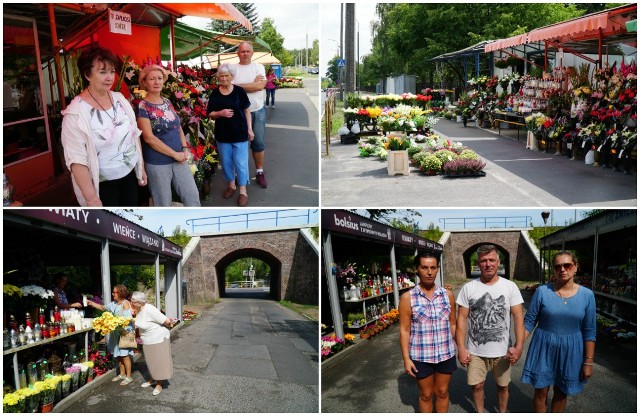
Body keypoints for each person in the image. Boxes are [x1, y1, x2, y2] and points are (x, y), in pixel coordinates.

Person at [61, 46, 146, 206]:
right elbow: (76, 160)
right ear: (87, 74)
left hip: (129, 176)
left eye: (112, 72)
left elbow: (134, 133)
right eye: (102, 72)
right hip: (102, 185)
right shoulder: (75, 113)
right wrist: (91, 198)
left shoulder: (119, 98)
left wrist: (140, 167)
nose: (109, 78)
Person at [521, 251, 596, 412]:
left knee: (562, 392)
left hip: (571, 350)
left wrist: (588, 362)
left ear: (575, 267)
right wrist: (518, 345)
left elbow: (589, 331)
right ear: (554, 270)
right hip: (543, 347)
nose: (562, 269)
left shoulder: (587, 295)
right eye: (558, 266)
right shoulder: (542, 291)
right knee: (541, 390)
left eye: (567, 265)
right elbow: (529, 321)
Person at [456, 244, 525, 413]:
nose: (488, 264)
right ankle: (480, 412)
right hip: (476, 351)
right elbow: (462, 320)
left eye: (491, 260)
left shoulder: (510, 287)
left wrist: (519, 346)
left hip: (502, 351)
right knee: (477, 385)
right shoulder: (468, 288)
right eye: (483, 261)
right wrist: (461, 348)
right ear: (478, 263)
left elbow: (518, 318)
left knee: (503, 386)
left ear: (498, 261)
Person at [399, 252, 457, 412]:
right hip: (421, 356)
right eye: (424, 267)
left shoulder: (448, 295)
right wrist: (406, 359)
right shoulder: (407, 298)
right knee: (426, 394)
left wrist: (462, 349)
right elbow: (404, 330)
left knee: (442, 392)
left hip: (446, 354)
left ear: (438, 268)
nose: (429, 272)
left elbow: (453, 324)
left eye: (433, 267)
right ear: (417, 269)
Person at [136, 64, 200, 207]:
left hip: (180, 158)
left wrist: (184, 148)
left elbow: (178, 127)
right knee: (163, 204)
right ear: (144, 82)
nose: (157, 82)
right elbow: (149, 138)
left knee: (192, 197)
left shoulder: (167, 102)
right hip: (158, 163)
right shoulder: (142, 106)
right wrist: (174, 154)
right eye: (152, 79)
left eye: (159, 78)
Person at [206, 63, 253, 206]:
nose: (224, 78)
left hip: (239, 133)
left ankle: (243, 191)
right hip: (223, 134)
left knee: (241, 163)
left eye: (227, 75)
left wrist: (250, 129)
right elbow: (210, 114)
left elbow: (247, 111)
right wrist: (220, 113)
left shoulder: (239, 91)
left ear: (232, 76)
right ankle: (232, 185)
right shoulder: (215, 93)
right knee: (226, 162)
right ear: (218, 77)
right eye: (221, 76)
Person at [232, 41, 268, 188]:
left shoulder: (259, 67)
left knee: (258, 143)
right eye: (242, 51)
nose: (245, 53)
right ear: (238, 53)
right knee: (237, 144)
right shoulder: (232, 68)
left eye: (248, 51)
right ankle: (237, 174)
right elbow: (230, 89)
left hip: (257, 110)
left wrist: (238, 86)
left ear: (252, 53)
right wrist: (250, 85)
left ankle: (259, 172)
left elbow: (260, 86)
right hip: (238, 112)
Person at [86, 284, 135, 385]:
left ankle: (129, 376)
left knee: (125, 356)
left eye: (114, 292)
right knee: (118, 355)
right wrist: (91, 303)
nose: (113, 294)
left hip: (123, 333)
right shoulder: (113, 303)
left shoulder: (125, 304)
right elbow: (103, 307)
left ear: (120, 293)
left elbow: (128, 320)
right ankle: (122, 374)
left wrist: (114, 321)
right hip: (115, 334)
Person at [130, 291, 174, 396]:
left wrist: (170, 321)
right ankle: (153, 379)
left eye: (133, 301)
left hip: (157, 338)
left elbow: (165, 321)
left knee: (159, 362)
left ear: (140, 302)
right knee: (151, 362)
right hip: (148, 339)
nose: (131, 303)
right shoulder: (139, 309)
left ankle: (159, 384)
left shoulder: (150, 309)